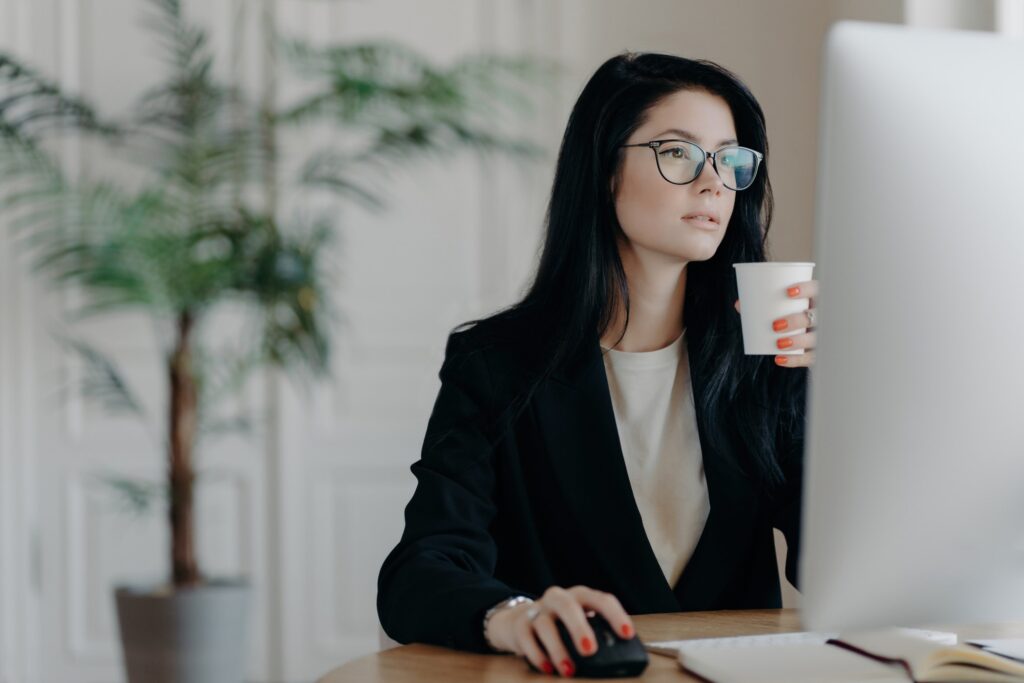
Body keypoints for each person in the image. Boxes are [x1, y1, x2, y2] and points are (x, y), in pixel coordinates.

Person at [377, 51, 819, 678]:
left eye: (731, 158)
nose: (714, 181)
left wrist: (846, 392)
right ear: (603, 168)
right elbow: (419, 571)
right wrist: (515, 615)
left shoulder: (765, 360)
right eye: (680, 153)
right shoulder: (497, 367)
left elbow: (833, 562)